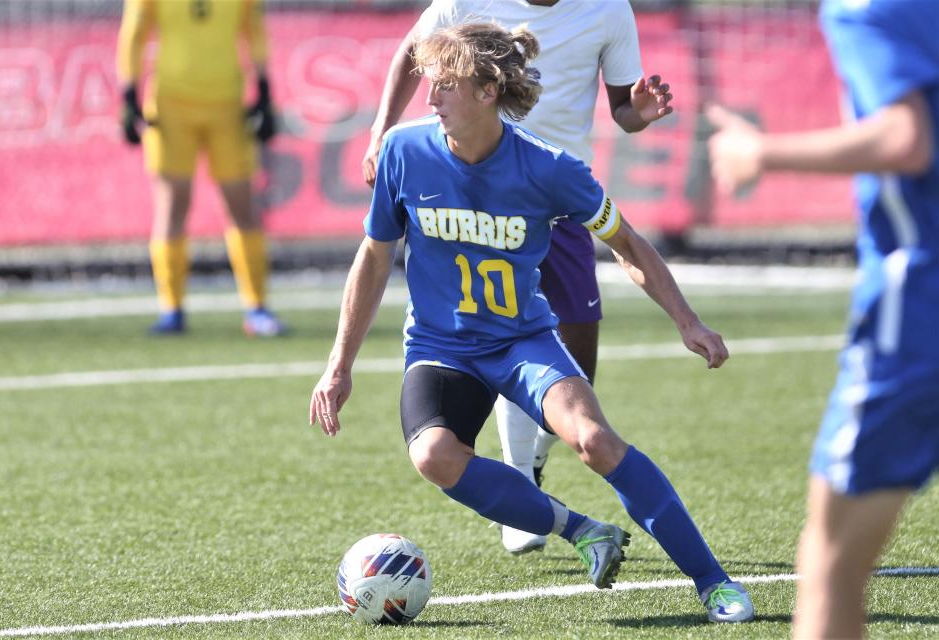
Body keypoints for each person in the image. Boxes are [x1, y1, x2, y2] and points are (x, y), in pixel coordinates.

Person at [313, 22, 753, 623]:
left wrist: (688, 322)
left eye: (444, 85)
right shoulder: (402, 151)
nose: (431, 97)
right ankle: (582, 530)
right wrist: (339, 367)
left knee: (595, 441)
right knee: (435, 457)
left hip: (524, 341)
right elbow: (373, 257)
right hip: (442, 348)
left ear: (487, 91)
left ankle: (713, 582)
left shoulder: (550, 168)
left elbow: (626, 244)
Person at [362, 0, 673, 555]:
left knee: (578, 373)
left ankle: (530, 456)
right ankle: (523, 484)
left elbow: (623, 107)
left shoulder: (608, 10)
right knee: (503, 336)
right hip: (478, 194)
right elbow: (413, 54)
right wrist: (381, 132)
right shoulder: (463, 5)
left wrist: (639, 114)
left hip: (556, 199)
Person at [706, 1, 938, 636]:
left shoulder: (868, 7)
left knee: (828, 562)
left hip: (918, 306)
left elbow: (905, 137)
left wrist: (763, 153)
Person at [116, 0, 286, 336]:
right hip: (170, 105)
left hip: (227, 105)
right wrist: (129, 94)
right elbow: (133, 35)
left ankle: (256, 308)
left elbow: (255, 31)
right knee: (172, 203)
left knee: (241, 205)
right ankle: (172, 309)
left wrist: (265, 90)